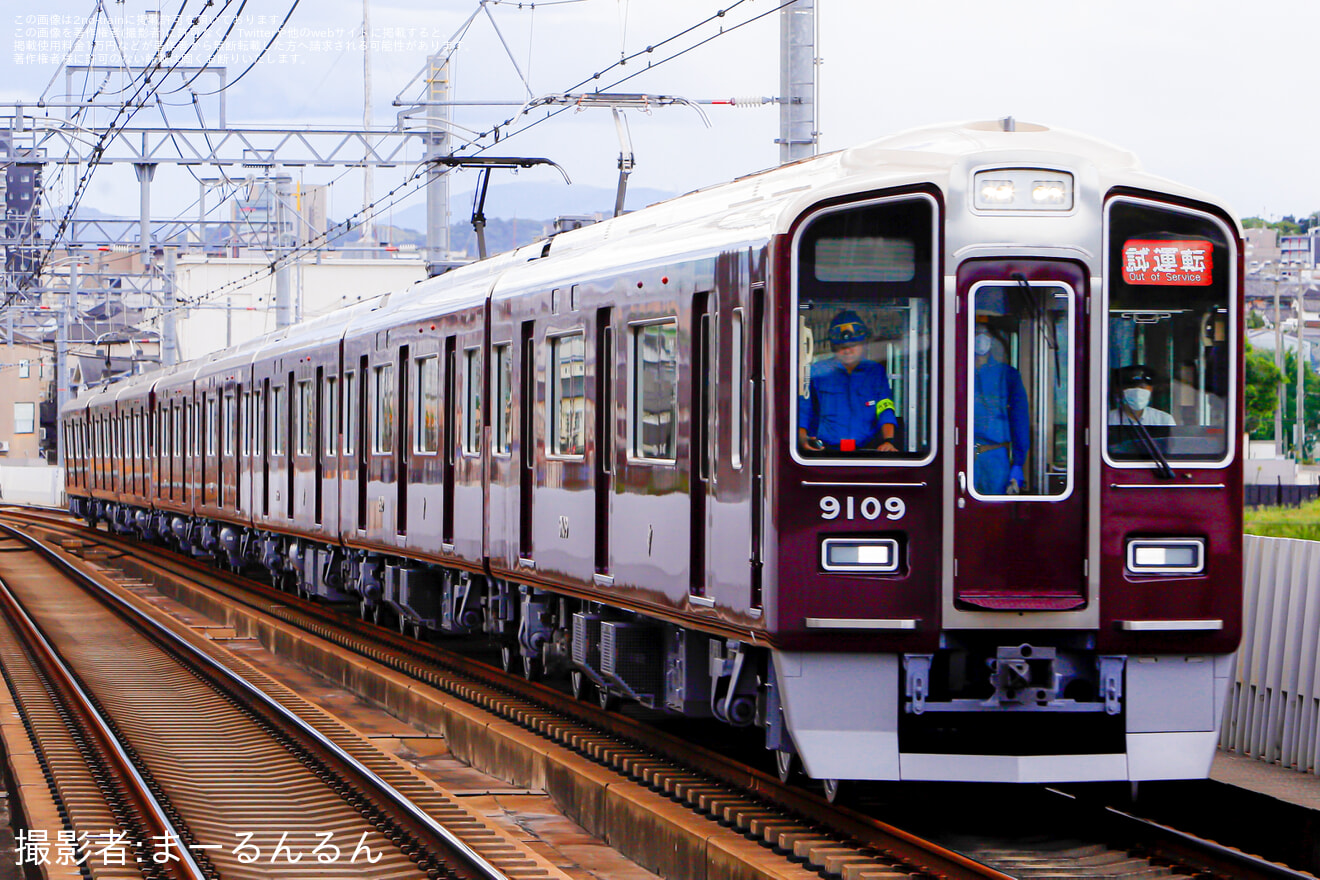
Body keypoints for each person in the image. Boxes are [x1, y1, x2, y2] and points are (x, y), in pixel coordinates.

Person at [798, 310, 898, 453]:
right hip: (824, 452)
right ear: (834, 347)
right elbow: (804, 408)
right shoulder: (817, 371)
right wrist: (802, 439)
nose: (848, 351)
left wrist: (889, 441)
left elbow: (885, 407)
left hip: (867, 451)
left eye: (853, 345)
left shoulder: (875, 371)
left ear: (863, 344)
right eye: (842, 347)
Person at [973, 326, 1030, 495]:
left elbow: (1019, 419)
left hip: (995, 458)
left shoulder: (1008, 375)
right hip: (959, 456)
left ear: (992, 340)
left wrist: (1018, 463)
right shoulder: (955, 371)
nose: (981, 338)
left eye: (985, 333)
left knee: (994, 515)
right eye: (976, 333)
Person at [1109, 365, 1176, 426]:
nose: (1137, 391)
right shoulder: (1108, 419)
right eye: (1132, 387)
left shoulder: (1163, 420)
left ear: (1151, 389)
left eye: (1142, 387)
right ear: (1120, 390)